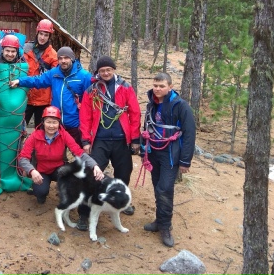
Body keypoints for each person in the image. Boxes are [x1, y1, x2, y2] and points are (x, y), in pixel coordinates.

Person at [135, 72, 195, 247]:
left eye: (161, 86)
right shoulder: (152, 104)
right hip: (154, 151)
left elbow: (189, 134)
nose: (158, 89)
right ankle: (159, 220)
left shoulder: (181, 106)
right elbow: (147, 127)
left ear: (170, 87)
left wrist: (185, 161)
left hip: (170, 153)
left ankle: (165, 226)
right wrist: (144, 151)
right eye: (155, 85)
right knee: (157, 186)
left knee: (165, 188)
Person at [79, 56, 141, 216]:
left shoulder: (125, 87)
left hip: (121, 139)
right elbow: (85, 117)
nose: (105, 73)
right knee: (91, 173)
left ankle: (121, 202)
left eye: (108, 70)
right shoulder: (91, 90)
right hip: (99, 139)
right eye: (102, 70)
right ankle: (84, 213)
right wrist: (85, 140)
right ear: (98, 72)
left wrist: (135, 138)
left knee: (124, 173)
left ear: (114, 69)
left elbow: (135, 113)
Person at [18, 106, 104, 204]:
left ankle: (67, 195)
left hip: (59, 169)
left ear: (59, 123)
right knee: (40, 192)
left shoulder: (64, 135)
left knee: (73, 179)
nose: (51, 126)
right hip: (41, 171)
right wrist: (32, 171)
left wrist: (94, 165)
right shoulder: (35, 136)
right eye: (48, 122)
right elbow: (23, 157)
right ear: (43, 122)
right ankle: (39, 192)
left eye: (54, 122)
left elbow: (78, 153)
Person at [10, 46, 91, 147]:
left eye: (66, 58)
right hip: (57, 124)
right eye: (60, 58)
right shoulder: (54, 73)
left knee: (79, 153)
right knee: (57, 153)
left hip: (75, 124)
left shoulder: (84, 76)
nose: (63, 61)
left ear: (72, 58)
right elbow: (38, 80)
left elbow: (90, 102)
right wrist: (20, 81)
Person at [23, 19, 58, 128]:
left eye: (46, 35)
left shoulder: (53, 55)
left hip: (43, 100)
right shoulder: (25, 49)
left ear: (49, 36)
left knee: (41, 131)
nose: (42, 37)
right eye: (41, 34)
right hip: (26, 97)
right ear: (37, 33)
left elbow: (54, 78)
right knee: (19, 129)